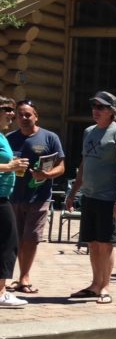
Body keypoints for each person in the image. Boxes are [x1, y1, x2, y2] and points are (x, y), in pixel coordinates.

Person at [66, 91, 116, 303]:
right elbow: (84, 165)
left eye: (101, 107)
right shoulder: (88, 132)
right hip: (90, 196)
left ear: (112, 111)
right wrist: (73, 192)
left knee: (106, 244)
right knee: (92, 243)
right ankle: (94, 284)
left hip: (108, 198)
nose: (95, 110)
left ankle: (105, 286)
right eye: (94, 106)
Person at [6, 98, 63, 296]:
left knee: (30, 238)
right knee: (14, 239)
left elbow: (61, 166)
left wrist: (46, 174)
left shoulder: (49, 138)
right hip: (12, 197)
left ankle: (24, 277)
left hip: (38, 196)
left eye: (28, 114)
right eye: (20, 114)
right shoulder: (9, 138)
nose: (23, 118)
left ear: (36, 116)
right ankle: (10, 278)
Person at [0, 100, 26, 308]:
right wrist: (9, 166)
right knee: (8, 243)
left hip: (4, 196)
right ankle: (0, 292)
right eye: (7, 110)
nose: (12, 114)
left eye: (12, 110)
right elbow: (6, 165)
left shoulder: (2, 136)